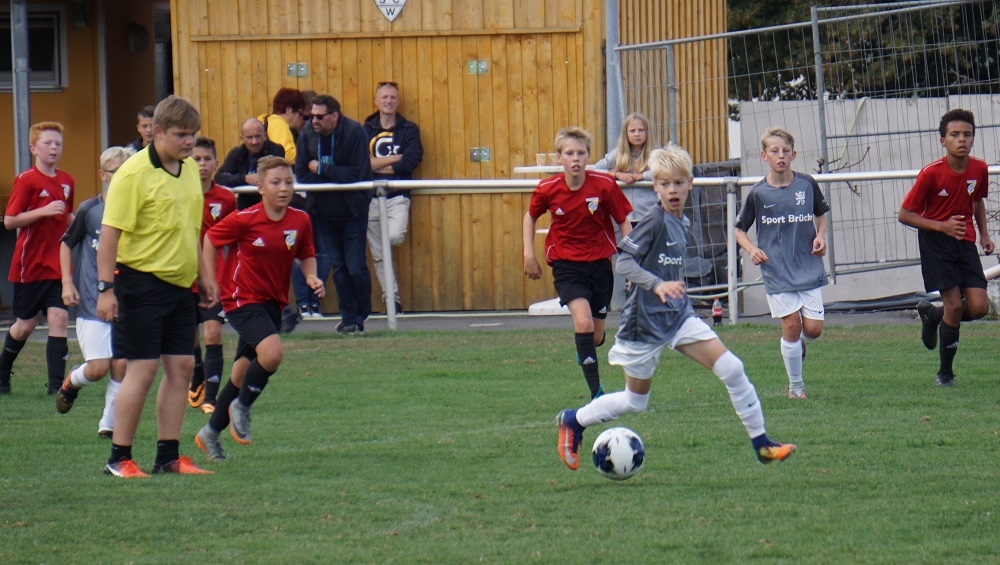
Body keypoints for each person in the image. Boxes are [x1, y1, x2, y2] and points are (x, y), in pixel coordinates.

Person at [556, 145, 797, 471]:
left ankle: (762, 444)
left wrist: (669, 289)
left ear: (689, 184)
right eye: (665, 184)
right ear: (655, 187)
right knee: (635, 402)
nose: (672, 190)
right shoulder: (654, 221)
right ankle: (574, 420)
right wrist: (657, 284)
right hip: (644, 323)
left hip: (678, 315)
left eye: (678, 183)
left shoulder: (681, 221)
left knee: (732, 369)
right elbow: (623, 262)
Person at [96, 96, 217, 478]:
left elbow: (189, 229)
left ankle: (168, 457)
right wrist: (105, 289)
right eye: (181, 134)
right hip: (140, 283)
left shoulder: (188, 170)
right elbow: (110, 234)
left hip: (180, 287)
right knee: (143, 370)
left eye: (193, 134)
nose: (189, 142)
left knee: (182, 366)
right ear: (158, 132)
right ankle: (119, 458)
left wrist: (204, 275)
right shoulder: (132, 174)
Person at [195, 156, 323, 461]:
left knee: (241, 374)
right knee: (272, 354)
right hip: (241, 298)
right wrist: (209, 280)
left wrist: (311, 276)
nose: (284, 188)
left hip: (272, 303)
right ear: (261, 187)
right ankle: (241, 406)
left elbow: (306, 253)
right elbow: (211, 239)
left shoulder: (300, 220)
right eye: (275, 182)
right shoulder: (245, 218)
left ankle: (209, 433)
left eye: (288, 182)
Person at [523, 126, 633, 399]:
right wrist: (528, 254)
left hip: (600, 265)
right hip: (567, 266)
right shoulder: (548, 188)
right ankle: (597, 393)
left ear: (588, 156)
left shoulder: (604, 184)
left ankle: (585, 350)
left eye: (580, 153)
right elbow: (530, 217)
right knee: (582, 323)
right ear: (559, 157)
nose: (575, 159)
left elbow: (624, 221)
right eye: (569, 153)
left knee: (595, 337)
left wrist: (631, 259)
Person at [898, 109, 994, 387]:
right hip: (936, 243)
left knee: (979, 307)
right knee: (953, 305)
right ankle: (945, 374)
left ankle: (933, 315)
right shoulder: (931, 173)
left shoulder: (979, 169)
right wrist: (942, 226)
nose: (961, 139)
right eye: (954, 135)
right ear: (943, 141)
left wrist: (984, 235)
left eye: (967, 134)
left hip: (964, 241)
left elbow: (977, 201)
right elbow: (905, 214)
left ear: (973, 138)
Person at [734, 128, 829, 400]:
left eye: (786, 151)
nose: (781, 156)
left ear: (793, 154)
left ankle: (798, 344)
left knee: (813, 330)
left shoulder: (807, 184)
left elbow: (820, 215)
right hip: (776, 269)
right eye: (774, 151)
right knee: (791, 325)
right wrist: (752, 249)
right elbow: (739, 230)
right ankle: (796, 387)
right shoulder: (758, 193)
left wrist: (820, 237)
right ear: (764, 156)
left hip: (808, 265)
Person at [55, 146, 132, 438]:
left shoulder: (136, 209)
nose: (122, 178)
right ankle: (73, 381)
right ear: (103, 175)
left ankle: (108, 425)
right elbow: (66, 243)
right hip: (92, 299)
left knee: (121, 364)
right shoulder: (90, 209)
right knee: (99, 368)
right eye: (116, 172)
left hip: (126, 299)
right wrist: (67, 282)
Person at [1, 121, 74, 396]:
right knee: (25, 326)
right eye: (48, 143)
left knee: (59, 319)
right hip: (29, 266)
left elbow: (67, 215)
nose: (54, 148)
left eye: (58, 143)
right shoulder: (26, 179)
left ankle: (56, 389)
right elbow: (10, 220)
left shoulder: (67, 181)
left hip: (58, 264)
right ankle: (2, 374)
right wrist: (43, 211)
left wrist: (85, 229)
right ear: (33, 148)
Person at [296, 93, 374, 335]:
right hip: (323, 213)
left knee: (355, 267)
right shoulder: (307, 133)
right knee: (338, 268)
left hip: (353, 211)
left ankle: (361, 313)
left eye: (320, 117)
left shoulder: (355, 132)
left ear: (334, 116)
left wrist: (321, 168)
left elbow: (357, 174)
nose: (314, 121)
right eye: (311, 116)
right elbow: (302, 174)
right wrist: (334, 176)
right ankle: (349, 319)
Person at [364, 81, 424, 314]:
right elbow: (362, 165)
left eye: (392, 97)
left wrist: (377, 165)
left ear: (398, 101)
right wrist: (394, 159)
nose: (388, 101)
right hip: (370, 198)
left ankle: (392, 301)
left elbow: (411, 161)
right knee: (379, 256)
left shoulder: (409, 129)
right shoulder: (365, 130)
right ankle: (392, 301)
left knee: (394, 237)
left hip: (397, 196)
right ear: (376, 101)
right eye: (384, 97)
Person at [186, 137, 236, 414]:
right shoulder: (181, 194)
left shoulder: (226, 199)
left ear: (216, 163)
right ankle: (197, 373)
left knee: (213, 333)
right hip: (184, 277)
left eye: (207, 159)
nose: (202, 164)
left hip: (215, 280)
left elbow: (234, 238)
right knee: (189, 336)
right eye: (196, 159)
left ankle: (212, 399)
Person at [593, 112, 657, 224]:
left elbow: (667, 173)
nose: (637, 134)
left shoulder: (656, 154)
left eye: (641, 130)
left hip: (649, 215)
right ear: (625, 133)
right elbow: (595, 170)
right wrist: (616, 174)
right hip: (624, 217)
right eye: (632, 131)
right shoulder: (618, 153)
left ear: (647, 132)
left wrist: (643, 176)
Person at [215, 118, 285, 210]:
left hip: (271, 206)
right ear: (242, 138)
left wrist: (235, 178)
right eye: (249, 137)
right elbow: (219, 178)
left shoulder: (276, 151)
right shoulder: (236, 154)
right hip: (245, 207)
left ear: (265, 136)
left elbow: (274, 176)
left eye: (258, 136)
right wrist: (245, 178)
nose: (254, 141)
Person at [258, 88, 306, 164]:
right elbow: (288, 155)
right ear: (288, 110)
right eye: (300, 113)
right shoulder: (278, 123)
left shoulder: (266, 121)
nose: (302, 119)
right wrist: (309, 157)